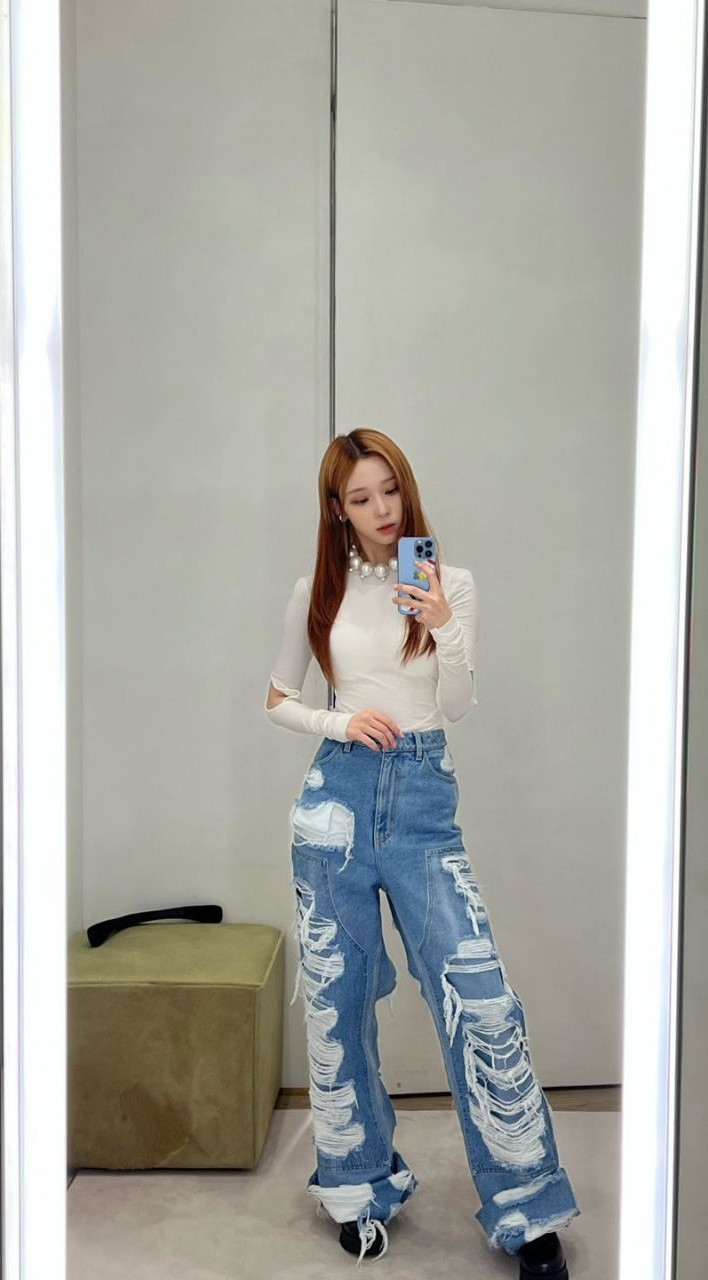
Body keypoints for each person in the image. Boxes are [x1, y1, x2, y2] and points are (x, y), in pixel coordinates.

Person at [264, 428, 580, 1275]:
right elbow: (278, 697)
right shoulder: (314, 592)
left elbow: (459, 704)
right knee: (336, 1003)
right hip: (334, 803)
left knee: (481, 1002)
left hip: (422, 804)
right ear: (337, 508)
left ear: (406, 490)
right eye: (360, 497)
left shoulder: (451, 584)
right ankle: (357, 1187)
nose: (380, 510)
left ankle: (526, 1206)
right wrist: (338, 721)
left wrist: (442, 626)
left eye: (390, 490)